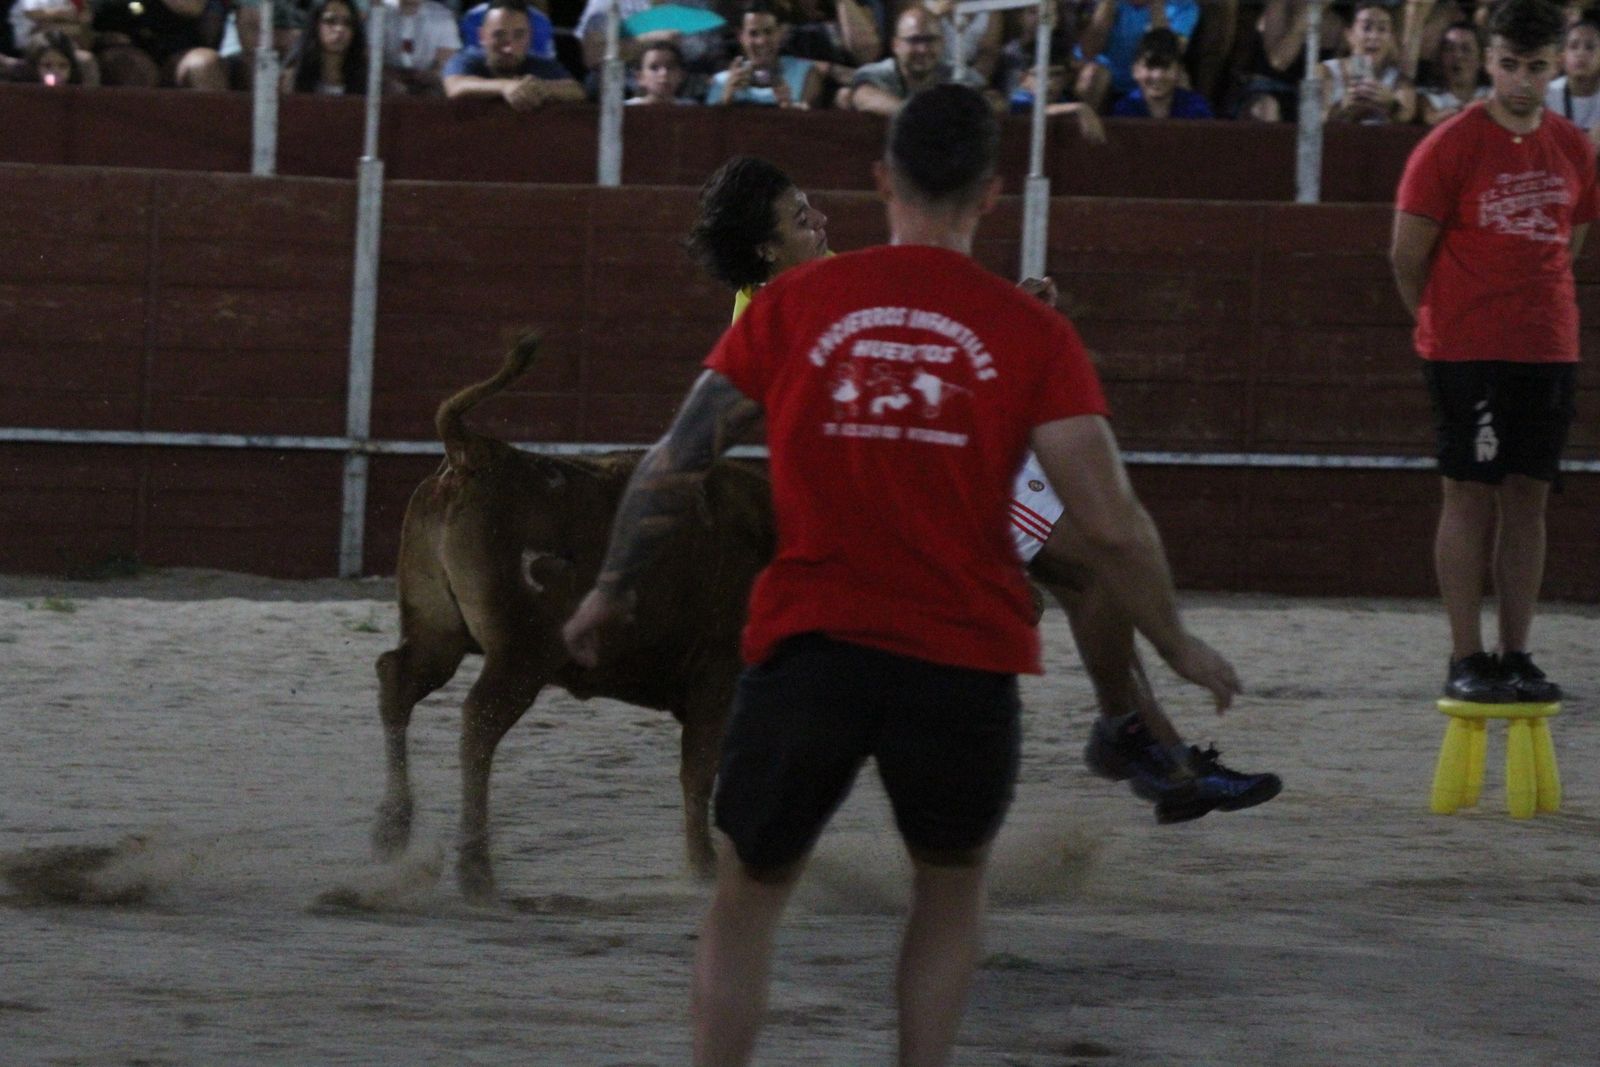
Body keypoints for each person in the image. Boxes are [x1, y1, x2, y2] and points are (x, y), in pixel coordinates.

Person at [564, 85, 1242, 1065]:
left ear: (882, 178)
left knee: (748, 897)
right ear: (993, 194)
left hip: (811, 649)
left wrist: (611, 586)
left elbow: (677, 454)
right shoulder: (1030, 332)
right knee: (949, 885)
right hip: (960, 660)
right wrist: (1176, 638)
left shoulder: (794, 303)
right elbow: (1110, 525)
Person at [691, 154, 1278, 824]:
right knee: (1091, 567)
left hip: (948, 453)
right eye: (801, 219)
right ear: (766, 248)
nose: (821, 221)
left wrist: (1009, 310)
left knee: (1091, 573)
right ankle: (1140, 743)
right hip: (929, 477)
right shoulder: (770, 314)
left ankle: (1148, 746)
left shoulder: (813, 277)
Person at [1390, 0, 1595, 704]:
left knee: (1528, 495)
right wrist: (1442, 325)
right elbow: (1405, 254)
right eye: (1509, 64)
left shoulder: (1575, 145)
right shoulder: (1447, 144)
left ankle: (1515, 652)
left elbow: (1570, 241)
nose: (1521, 82)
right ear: (1488, 59)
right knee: (1470, 493)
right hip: (1467, 346)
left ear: (1558, 62)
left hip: (1546, 345)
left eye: (1537, 67)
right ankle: (1464, 655)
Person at [847, 4, 991, 115]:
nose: (923, 49)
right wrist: (919, 115)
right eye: (914, 40)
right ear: (895, 45)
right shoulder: (882, 71)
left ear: (942, 43)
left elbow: (989, 98)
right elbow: (863, 96)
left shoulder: (955, 73)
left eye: (930, 40)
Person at [442, 0, 584, 109]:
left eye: (519, 35)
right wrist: (505, 86)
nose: (509, 48)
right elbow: (455, 86)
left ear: (529, 37)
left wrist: (543, 88)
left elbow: (576, 91)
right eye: (499, 35)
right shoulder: (466, 59)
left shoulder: (538, 63)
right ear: (482, 36)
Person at [1076, 0, 1200, 105]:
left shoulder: (1183, 6)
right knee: (1093, 76)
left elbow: (1168, 55)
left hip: (1151, 76)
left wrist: (1156, 7)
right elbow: (1088, 51)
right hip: (1107, 77)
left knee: (1180, 83)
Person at [706, 0, 822, 108]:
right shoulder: (721, 82)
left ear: (780, 33)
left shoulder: (804, 73)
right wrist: (726, 99)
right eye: (753, 34)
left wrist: (789, 106)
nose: (761, 41)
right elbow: (705, 126)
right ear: (741, 37)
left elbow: (811, 125)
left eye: (768, 32)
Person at [1320, 1, 1417, 124]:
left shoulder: (1400, 81)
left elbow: (1407, 117)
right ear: (1349, 35)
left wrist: (1391, 104)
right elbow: (1312, 119)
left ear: (1391, 38)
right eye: (1366, 28)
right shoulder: (1324, 71)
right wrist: (1343, 106)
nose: (1374, 36)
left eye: (1382, 29)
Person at [90, 0, 226, 88]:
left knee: (204, 65)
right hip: (120, 44)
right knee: (133, 69)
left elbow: (191, 7)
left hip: (176, 47)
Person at [1111, 26, 1212, 117]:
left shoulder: (1197, 108)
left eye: (1166, 67)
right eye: (1150, 67)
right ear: (1135, 71)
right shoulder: (1124, 109)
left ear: (1179, 71)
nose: (1157, 75)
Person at [282, 0, 375, 95]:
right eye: (330, 21)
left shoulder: (370, 81)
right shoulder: (290, 80)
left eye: (348, 23)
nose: (339, 29)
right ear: (315, 25)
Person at [381, 0, 462, 96]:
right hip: (387, 80)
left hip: (428, 82)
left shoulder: (442, 16)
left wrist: (428, 77)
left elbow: (446, 63)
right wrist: (390, 79)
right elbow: (370, 60)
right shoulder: (380, 12)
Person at [1419, 20, 1490, 125]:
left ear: (1481, 60)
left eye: (1466, 49)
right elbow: (1431, 118)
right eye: (1449, 48)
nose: (1457, 55)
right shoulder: (1428, 97)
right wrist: (1471, 108)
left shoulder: (1492, 94)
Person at [1544, 16, 1600, 138]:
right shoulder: (1547, 94)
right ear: (1562, 56)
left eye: (1590, 47)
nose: (1580, 53)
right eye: (1573, 46)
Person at [627, 38, 694, 103]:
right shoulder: (623, 110)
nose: (664, 73)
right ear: (640, 77)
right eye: (654, 68)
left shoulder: (693, 110)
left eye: (670, 67)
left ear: (681, 75)